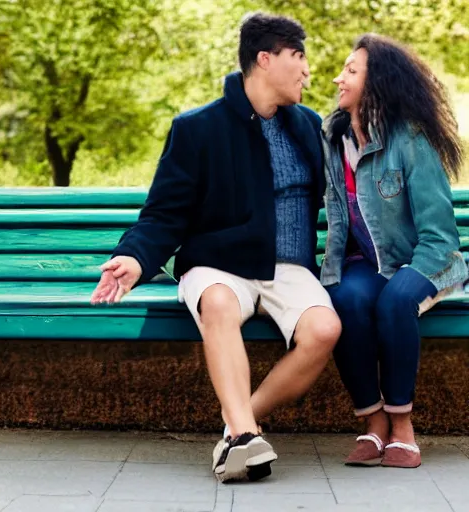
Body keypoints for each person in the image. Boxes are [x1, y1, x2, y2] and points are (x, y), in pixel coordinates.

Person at [91, 12, 341, 482]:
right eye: (299, 57)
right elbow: (164, 213)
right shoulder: (198, 128)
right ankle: (247, 437)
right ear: (265, 59)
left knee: (325, 330)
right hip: (217, 265)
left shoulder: (308, 125)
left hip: (287, 267)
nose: (308, 70)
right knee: (220, 305)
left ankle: (236, 429)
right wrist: (134, 256)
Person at [321, 33, 468, 469]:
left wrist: (410, 275)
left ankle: (402, 425)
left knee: (395, 300)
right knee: (343, 298)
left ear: (377, 81)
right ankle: (373, 421)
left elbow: (440, 234)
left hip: (428, 258)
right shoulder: (333, 140)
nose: (337, 78)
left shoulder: (410, 139)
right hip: (369, 263)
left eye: (350, 71)